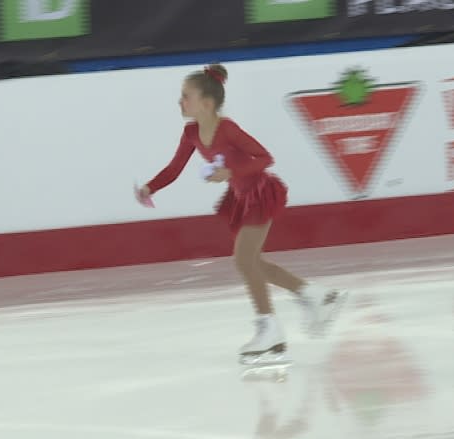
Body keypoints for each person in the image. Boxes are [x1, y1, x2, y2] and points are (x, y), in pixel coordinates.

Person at [136, 64, 346, 364]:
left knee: (244, 261)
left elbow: (265, 158)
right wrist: (150, 188)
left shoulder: (227, 129)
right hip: (241, 197)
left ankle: (269, 329)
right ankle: (317, 296)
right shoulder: (191, 132)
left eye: (185, 96)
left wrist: (229, 171)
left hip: (261, 194)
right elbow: (174, 168)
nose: (180, 102)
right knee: (255, 262)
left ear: (206, 103)